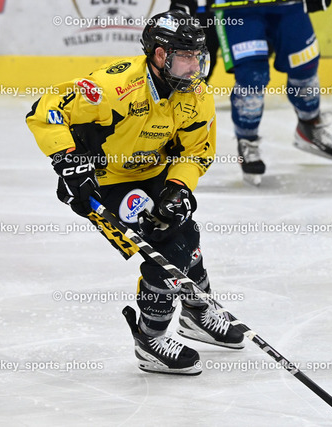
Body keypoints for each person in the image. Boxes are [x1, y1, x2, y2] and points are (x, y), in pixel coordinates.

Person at [26, 10, 244, 376]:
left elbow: (197, 151)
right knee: (164, 253)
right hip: (105, 182)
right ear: (160, 55)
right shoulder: (114, 88)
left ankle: (196, 312)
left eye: (198, 56)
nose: (196, 66)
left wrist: (178, 187)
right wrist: (68, 160)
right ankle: (150, 340)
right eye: (186, 56)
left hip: (154, 173)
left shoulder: (196, 94)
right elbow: (46, 110)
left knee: (187, 235)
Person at [215, 0, 332, 185]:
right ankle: (247, 140)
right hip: (239, 9)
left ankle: (309, 126)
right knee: (252, 77)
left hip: (289, 5)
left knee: (304, 65)